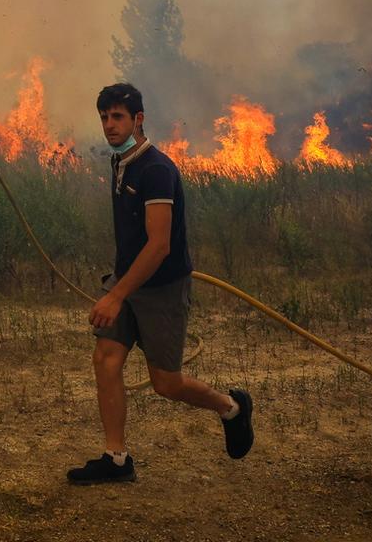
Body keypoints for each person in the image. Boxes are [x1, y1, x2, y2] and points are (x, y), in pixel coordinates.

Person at [68, 83, 254, 485]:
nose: (109, 125)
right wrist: (119, 287)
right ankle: (116, 460)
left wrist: (116, 295)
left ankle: (231, 408)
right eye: (104, 117)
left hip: (161, 287)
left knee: (165, 384)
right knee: (106, 359)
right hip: (127, 280)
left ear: (138, 120)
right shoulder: (121, 162)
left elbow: (159, 246)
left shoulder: (156, 170)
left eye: (117, 117)